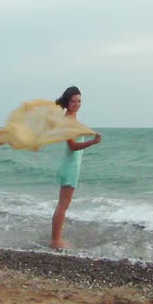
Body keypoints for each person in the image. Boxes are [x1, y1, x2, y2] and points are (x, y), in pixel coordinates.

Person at [51, 86, 102, 249]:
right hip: (70, 166)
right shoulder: (69, 121)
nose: (77, 104)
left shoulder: (72, 119)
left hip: (72, 165)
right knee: (63, 205)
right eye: (73, 101)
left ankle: (56, 239)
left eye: (79, 101)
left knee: (63, 205)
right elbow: (73, 146)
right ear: (67, 102)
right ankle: (56, 241)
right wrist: (92, 142)